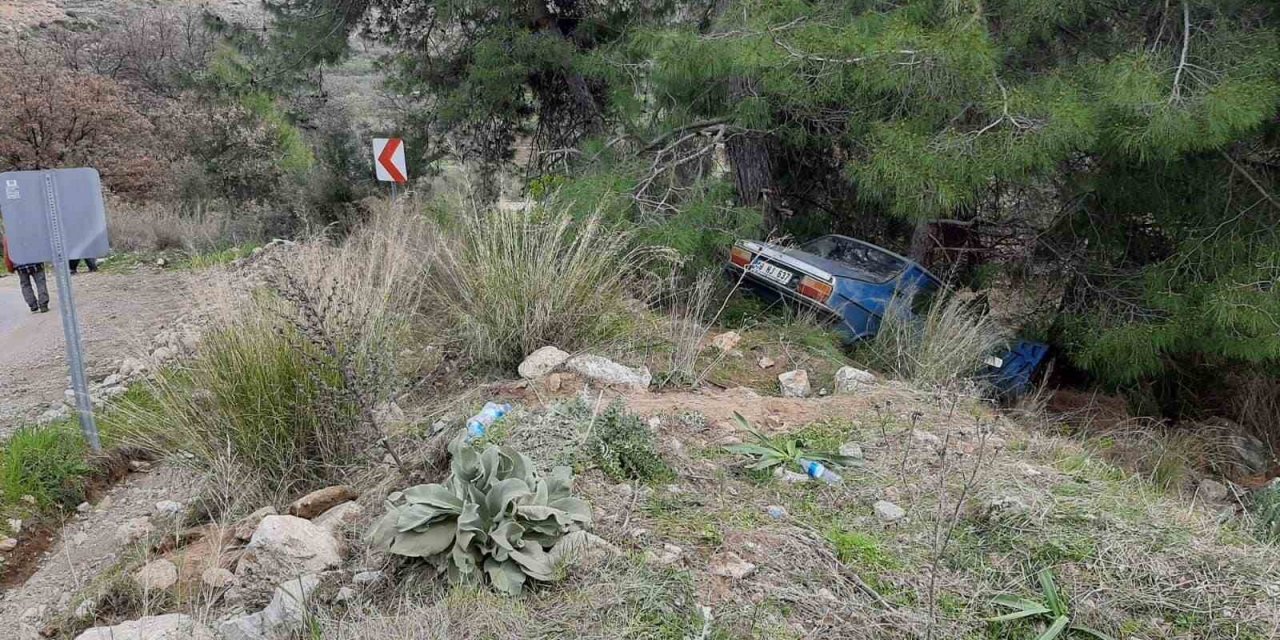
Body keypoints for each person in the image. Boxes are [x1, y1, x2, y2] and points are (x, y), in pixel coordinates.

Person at [3, 236, 48, 313]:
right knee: (40, 282)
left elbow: (7, 252)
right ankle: (43, 304)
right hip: (36, 261)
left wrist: (10, 267)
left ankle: (33, 305)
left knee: (25, 285)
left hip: (20, 264)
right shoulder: (30, 230)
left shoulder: (10, 235)